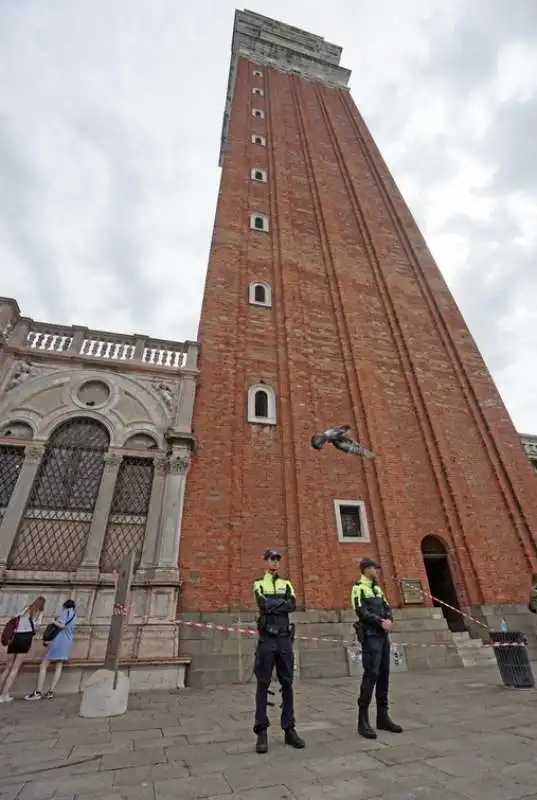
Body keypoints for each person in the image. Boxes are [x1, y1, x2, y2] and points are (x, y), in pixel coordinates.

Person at [252, 548, 305, 754]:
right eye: (271, 559)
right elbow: (263, 605)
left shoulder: (287, 583)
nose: (275, 562)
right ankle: (261, 732)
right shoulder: (258, 583)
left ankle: (289, 729)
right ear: (265, 561)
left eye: (277, 560)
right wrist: (278, 604)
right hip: (267, 639)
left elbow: (292, 605)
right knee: (263, 684)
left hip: (283, 639)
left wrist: (275, 605)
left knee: (287, 683)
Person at [351, 558, 402, 739]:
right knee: (370, 675)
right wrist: (380, 622)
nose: (377, 571)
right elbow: (361, 612)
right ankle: (362, 720)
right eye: (374, 568)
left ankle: (383, 717)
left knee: (384, 675)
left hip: (383, 637)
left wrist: (388, 620)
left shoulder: (378, 589)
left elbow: (387, 607)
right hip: (371, 637)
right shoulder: (358, 588)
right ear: (365, 570)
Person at [25, 599, 77, 700]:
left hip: (59, 641)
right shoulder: (75, 615)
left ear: (65, 606)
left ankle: (38, 692)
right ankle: (50, 691)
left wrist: (53, 621)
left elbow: (62, 625)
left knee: (44, 665)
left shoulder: (65, 612)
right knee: (59, 666)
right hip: (68, 642)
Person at [0, 596, 46, 703]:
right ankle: (4, 695)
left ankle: (1, 693)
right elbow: (36, 628)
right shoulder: (39, 613)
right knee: (15, 669)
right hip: (24, 640)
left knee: (7, 668)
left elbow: (14, 618)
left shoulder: (26, 608)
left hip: (14, 638)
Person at [311, 424, 375, 458]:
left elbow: (355, 450)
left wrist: (371, 455)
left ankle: (373, 455)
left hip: (351, 439)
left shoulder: (336, 441)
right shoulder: (329, 433)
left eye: (321, 444)